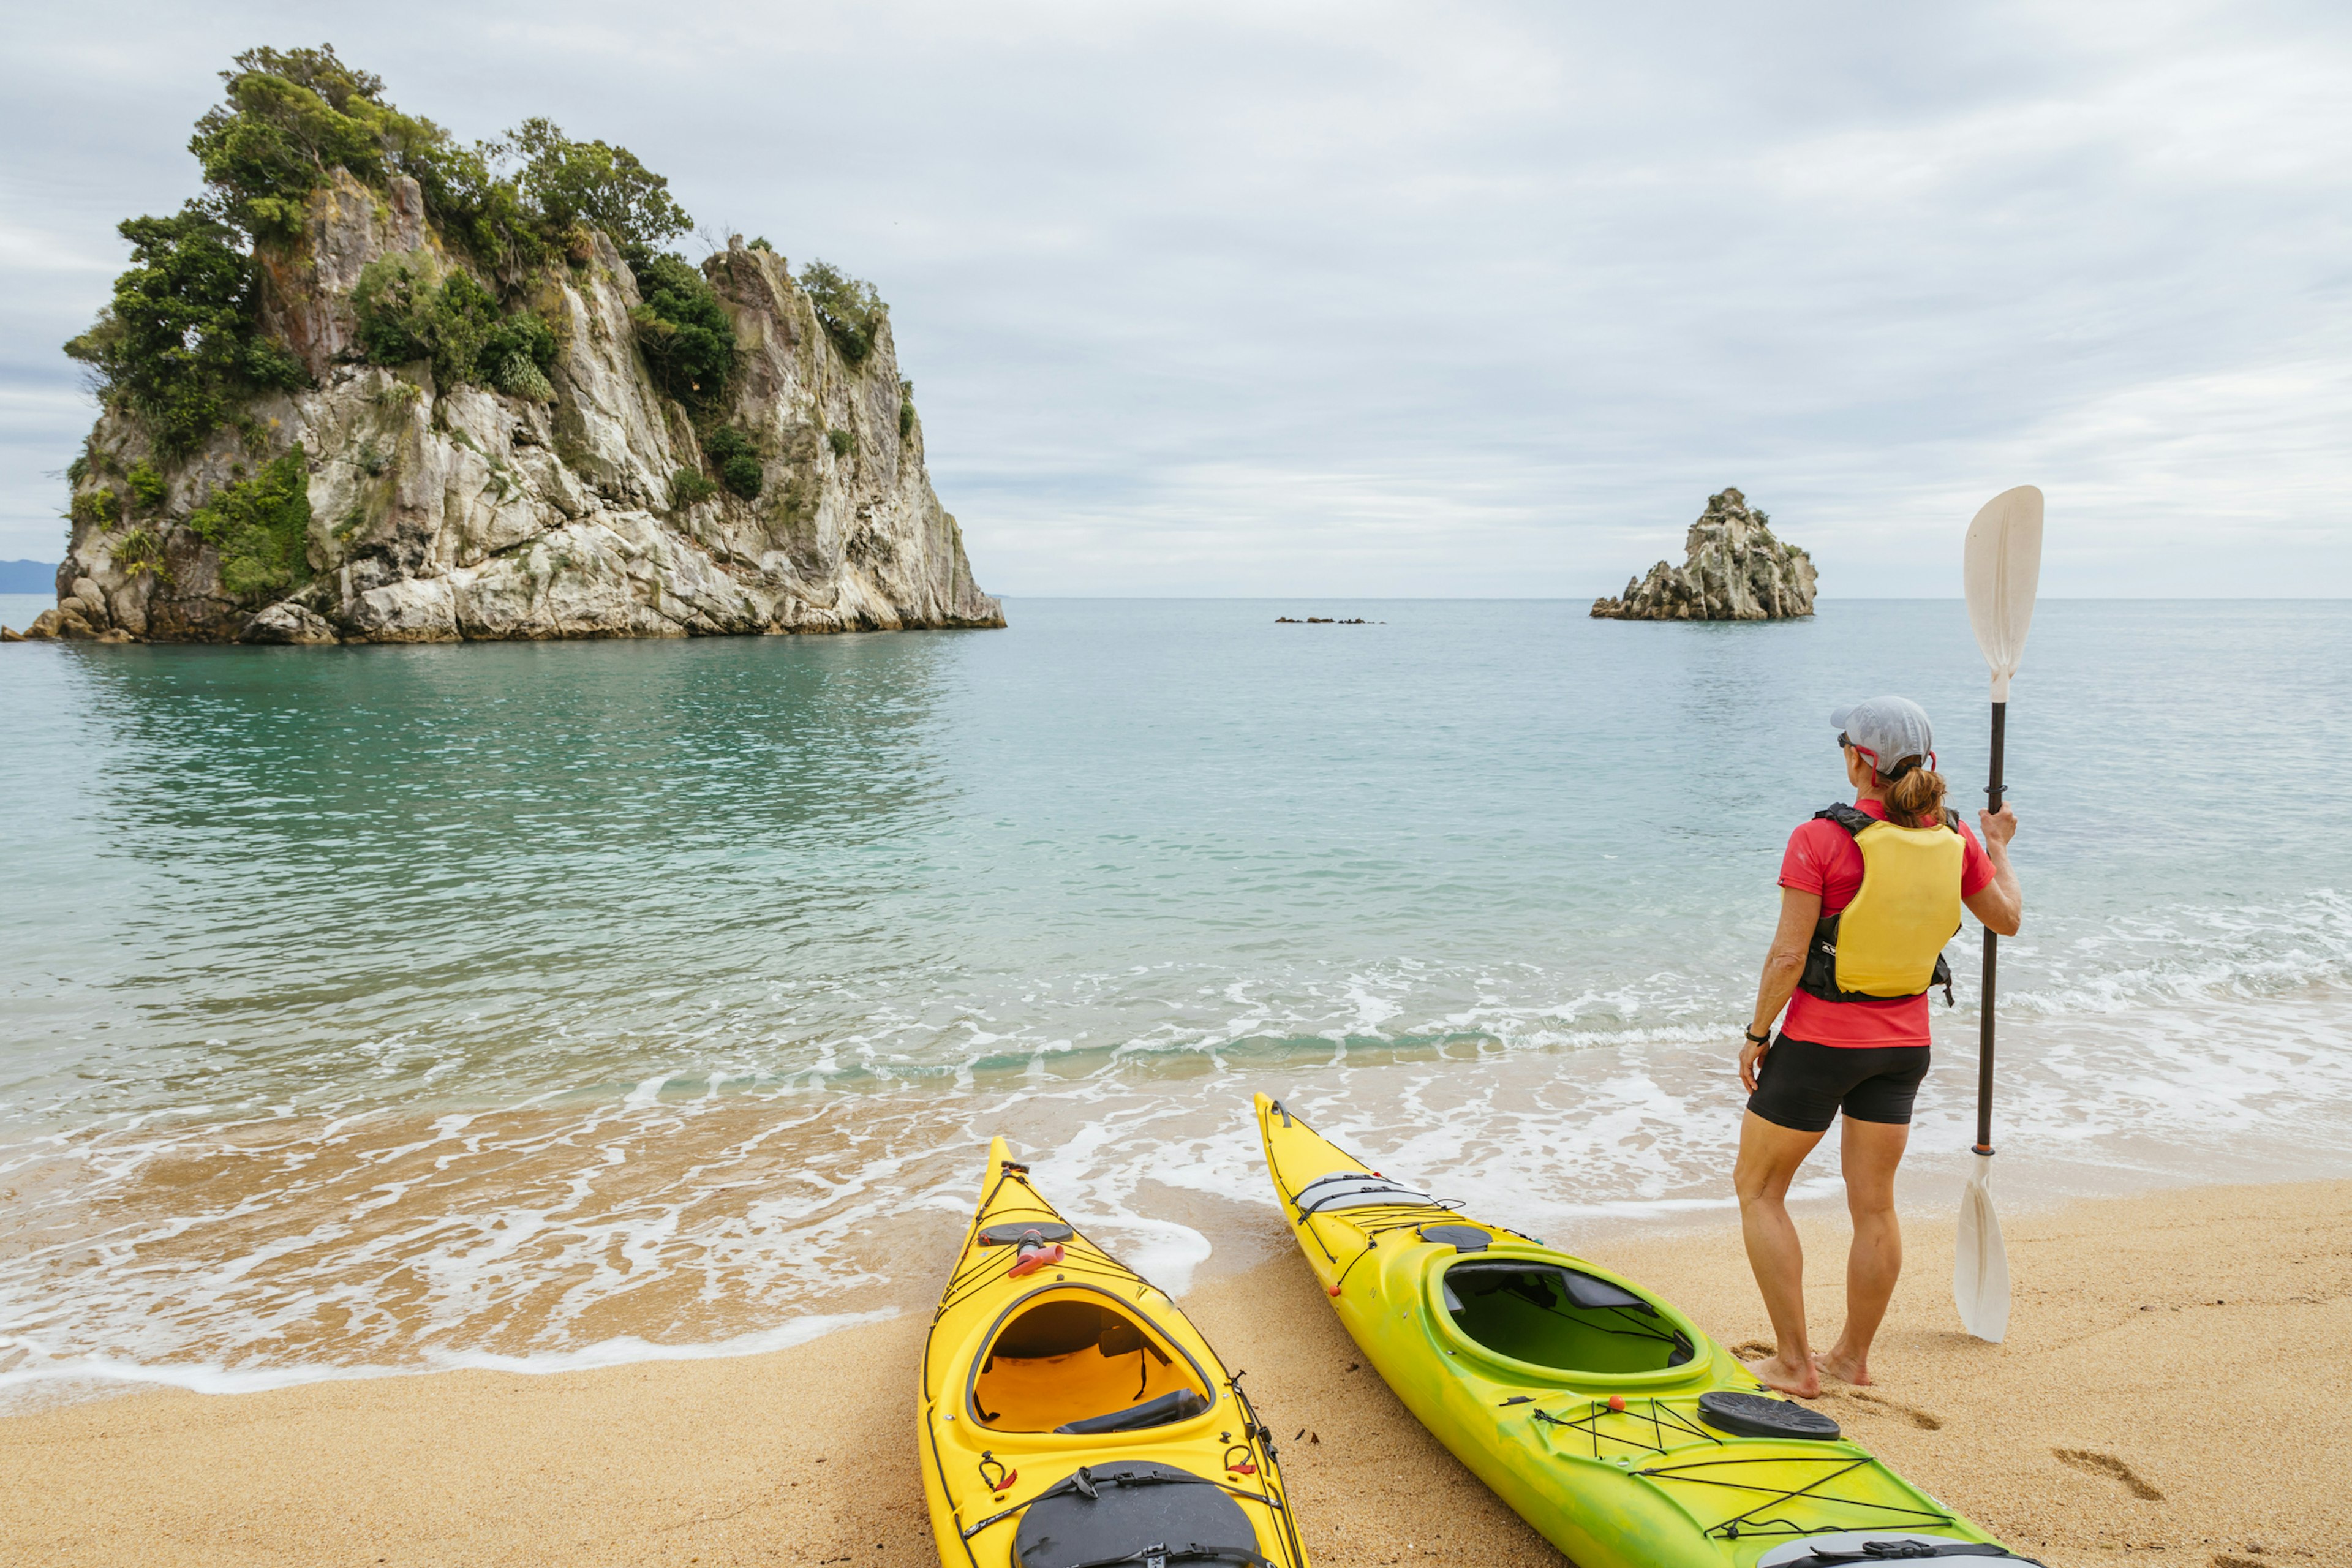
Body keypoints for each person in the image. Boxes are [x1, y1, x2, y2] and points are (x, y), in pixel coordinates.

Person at [1733, 696, 2020, 1396]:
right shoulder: (1957, 840)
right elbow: (2007, 920)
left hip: (1819, 1044)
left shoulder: (1820, 838)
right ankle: (1851, 1360)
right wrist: (2000, 845)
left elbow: (1787, 956)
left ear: (1862, 759)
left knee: (1760, 1188)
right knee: (1875, 1205)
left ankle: (1795, 1364)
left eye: (1844, 741)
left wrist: (1757, 1032)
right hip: (1904, 1047)